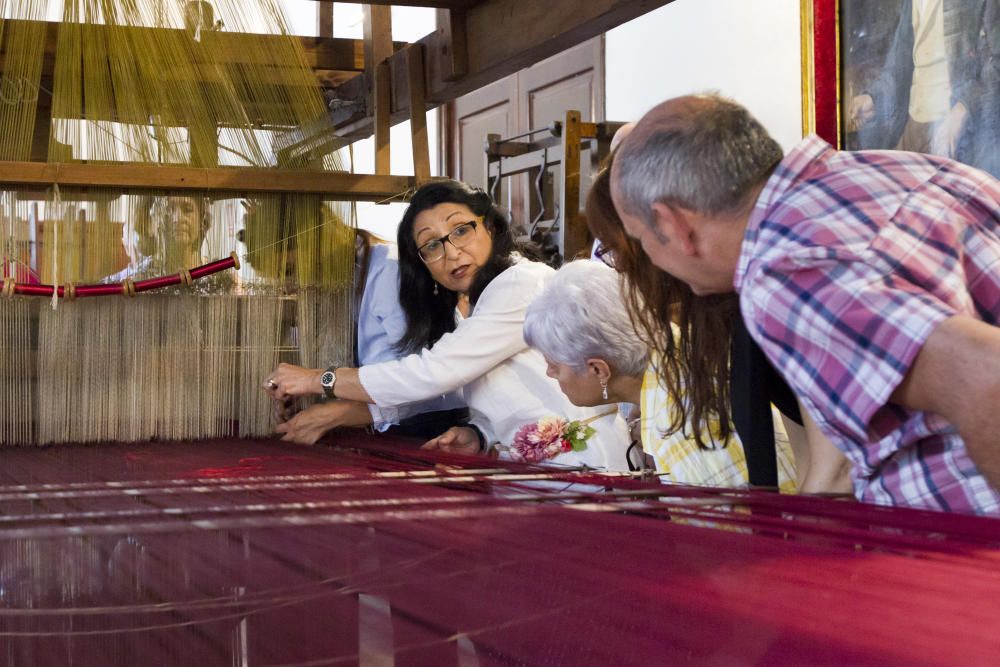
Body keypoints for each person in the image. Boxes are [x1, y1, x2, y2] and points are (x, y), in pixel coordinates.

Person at [611, 92, 1000, 514]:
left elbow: (986, 378)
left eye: (640, 238)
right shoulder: (891, 169)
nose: (648, 256)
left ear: (673, 223)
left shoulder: (782, 273)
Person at [265, 179, 629, 470]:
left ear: (491, 227)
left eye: (461, 231)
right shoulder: (467, 309)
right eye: (432, 246)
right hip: (536, 475)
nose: (452, 252)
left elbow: (434, 373)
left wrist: (319, 380)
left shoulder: (522, 283)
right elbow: (490, 393)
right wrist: (478, 436)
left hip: (586, 468)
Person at [587, 161, 851, 495]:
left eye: (614, 248)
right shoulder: (726, 310)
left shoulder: (776, 281)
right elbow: (805, 446)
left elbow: (836, 471)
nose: (620, 267)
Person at [524, 259, 798, 489]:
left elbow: (722, 542)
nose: (549, 373)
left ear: (599, 369)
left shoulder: (679, 428)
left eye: (554, 365)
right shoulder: (681, 349)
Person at [239, 200, 467, 441]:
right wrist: (312, 397)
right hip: (385, 433)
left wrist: (337, 412)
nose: (290, 286)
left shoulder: (390, 272)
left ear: (317, 242)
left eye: (289, 271)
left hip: (434, 432)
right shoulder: (341, 284)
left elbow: (423, 384)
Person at [849, 0, 1000, 176]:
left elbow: (996, 63)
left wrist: (963, 107)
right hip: (915, 126)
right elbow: (900, 62)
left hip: (957, 136)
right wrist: (874, 98)